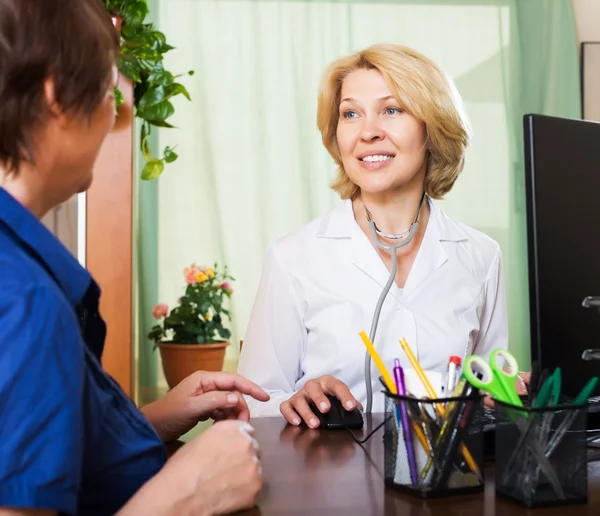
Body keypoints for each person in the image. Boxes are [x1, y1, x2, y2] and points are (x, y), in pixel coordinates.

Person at [0, 1, 269, 514]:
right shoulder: (28, 303)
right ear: (56, 98)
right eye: (110, 96)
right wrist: (186, 494)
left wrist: (141, 422)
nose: (117, 120)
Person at [238, 43, 529, 427]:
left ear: (432, 126)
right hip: (326, 482)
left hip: (443, 481)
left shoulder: (480, 255)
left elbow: (489, 393)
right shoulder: (293, 257)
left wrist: (502, 397)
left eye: (392, 110)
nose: (368, 132)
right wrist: (292, 403)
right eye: (350, 114)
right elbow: (251, 402)